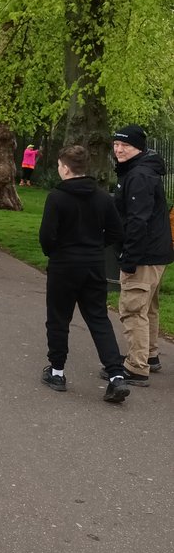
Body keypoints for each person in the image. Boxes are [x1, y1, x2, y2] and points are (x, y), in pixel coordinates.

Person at [38, 144, 129, 403]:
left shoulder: (57, 197)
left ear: (65, 168)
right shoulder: (101, 197)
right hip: (92, 264)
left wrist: (54, 251)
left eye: (58, 165)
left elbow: (47, 235)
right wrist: (94, 246)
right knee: (98, 318)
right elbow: (116, 232)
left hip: (64, 264)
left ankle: (57, 372)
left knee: (58, 318)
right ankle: (116, 375)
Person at [109, 125, 174, 384]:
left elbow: (138, 220)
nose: (118, 149)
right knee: (149, 308)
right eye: (115, 144)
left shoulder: (139, 176)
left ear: (139, 148)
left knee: (133, 308)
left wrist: (129, 259)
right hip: (156, 252)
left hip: (145, 254)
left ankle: (136, 366)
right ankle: (149, 354)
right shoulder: (142, 171)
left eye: (125, 145)